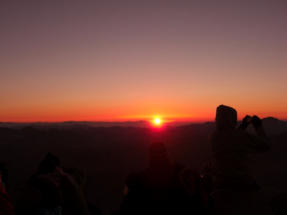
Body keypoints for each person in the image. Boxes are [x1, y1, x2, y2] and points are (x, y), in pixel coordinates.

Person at [211, 105, 272, 215]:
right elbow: (265, 145)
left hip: (221, 182)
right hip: (242, 183)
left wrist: (243, 126)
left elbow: (230, 140)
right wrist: (258, 126)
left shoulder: (214, 136)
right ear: (232, 119)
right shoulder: (240, 136)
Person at [118, 142, 204, 215]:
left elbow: (126, 207)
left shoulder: (138, 180)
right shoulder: (181, 174)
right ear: (166, 154)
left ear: (150, 157)